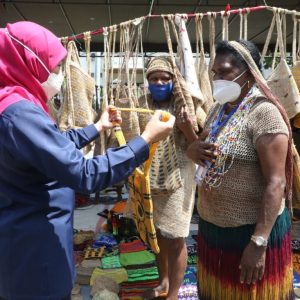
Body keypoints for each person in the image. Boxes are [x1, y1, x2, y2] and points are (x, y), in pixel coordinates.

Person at [0, 21, 175, 300]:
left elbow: (52, 149)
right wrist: (144, 139)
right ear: (29, 63)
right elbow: (83, 173)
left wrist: (97, 126)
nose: (58, 76)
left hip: (30, 238)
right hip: (34, 249)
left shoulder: (13, 101)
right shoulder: (19, 114)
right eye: (54, 68)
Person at [187, 40, 294, 300]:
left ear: (249, 72)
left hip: (250, 232)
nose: (216, 78)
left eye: (224, 72)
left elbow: (276, 183)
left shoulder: (264, 114)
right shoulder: (218, 110)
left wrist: (258, 243)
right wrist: (192, 151)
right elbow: (200, 146)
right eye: (215, 73)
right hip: (214, 227)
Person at [122, 57, 199, 300]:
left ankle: (173, 294)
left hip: (179, 177)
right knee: (156, 234)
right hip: (149, 178)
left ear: (173, 81)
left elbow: (200, 143)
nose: (159, 82)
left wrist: (187, 127)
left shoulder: (187, 105)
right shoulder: (142, 105)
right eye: (154, 79)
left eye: (165, 78)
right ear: (147, 82)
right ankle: (163, 282)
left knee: (175, 237)